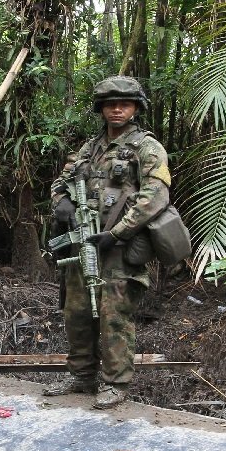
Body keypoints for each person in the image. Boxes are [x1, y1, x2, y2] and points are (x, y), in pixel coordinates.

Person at [43, 76, 172, 409]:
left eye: (124, 103)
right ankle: (81, 374)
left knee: (115, 315)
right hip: (83, 242)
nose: (117, 109)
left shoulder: (146, 147)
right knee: (77, 310)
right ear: (101, 108)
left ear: (135, 108)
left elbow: (156, 194)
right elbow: (61, 181)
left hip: (117, 246)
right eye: (110, 104)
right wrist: (62, 202)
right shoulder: (91, 147)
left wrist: (118, 232)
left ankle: (115, 382)